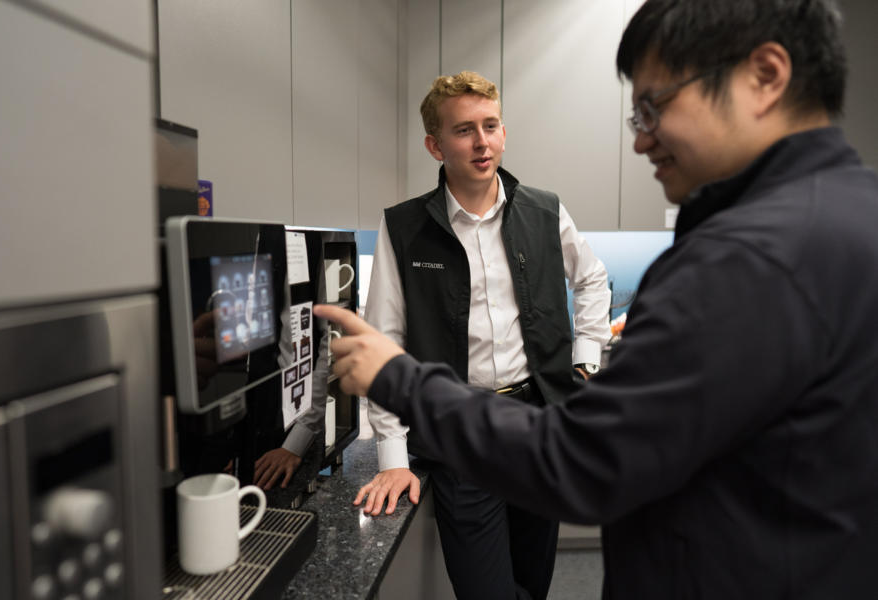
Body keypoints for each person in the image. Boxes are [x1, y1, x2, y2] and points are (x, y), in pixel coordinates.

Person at [316, 1, 878, 597]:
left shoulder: (741, 262)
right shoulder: (851, 214)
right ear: (436, 145)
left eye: (653, 107)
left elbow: (585, 463)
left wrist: (401, 380)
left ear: (765, 77)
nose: (641, 142)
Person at [355, 70, 611, 599]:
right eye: (464, 130)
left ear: (504, 132)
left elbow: (591, 278)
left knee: (533, 581)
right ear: (435, 145)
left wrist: (586, 358)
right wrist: (393, 459)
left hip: (536, 424)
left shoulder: (544, 210)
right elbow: (385, 344)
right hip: (459, 432)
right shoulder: (404, 228)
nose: (482, 142)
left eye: (490, 126)